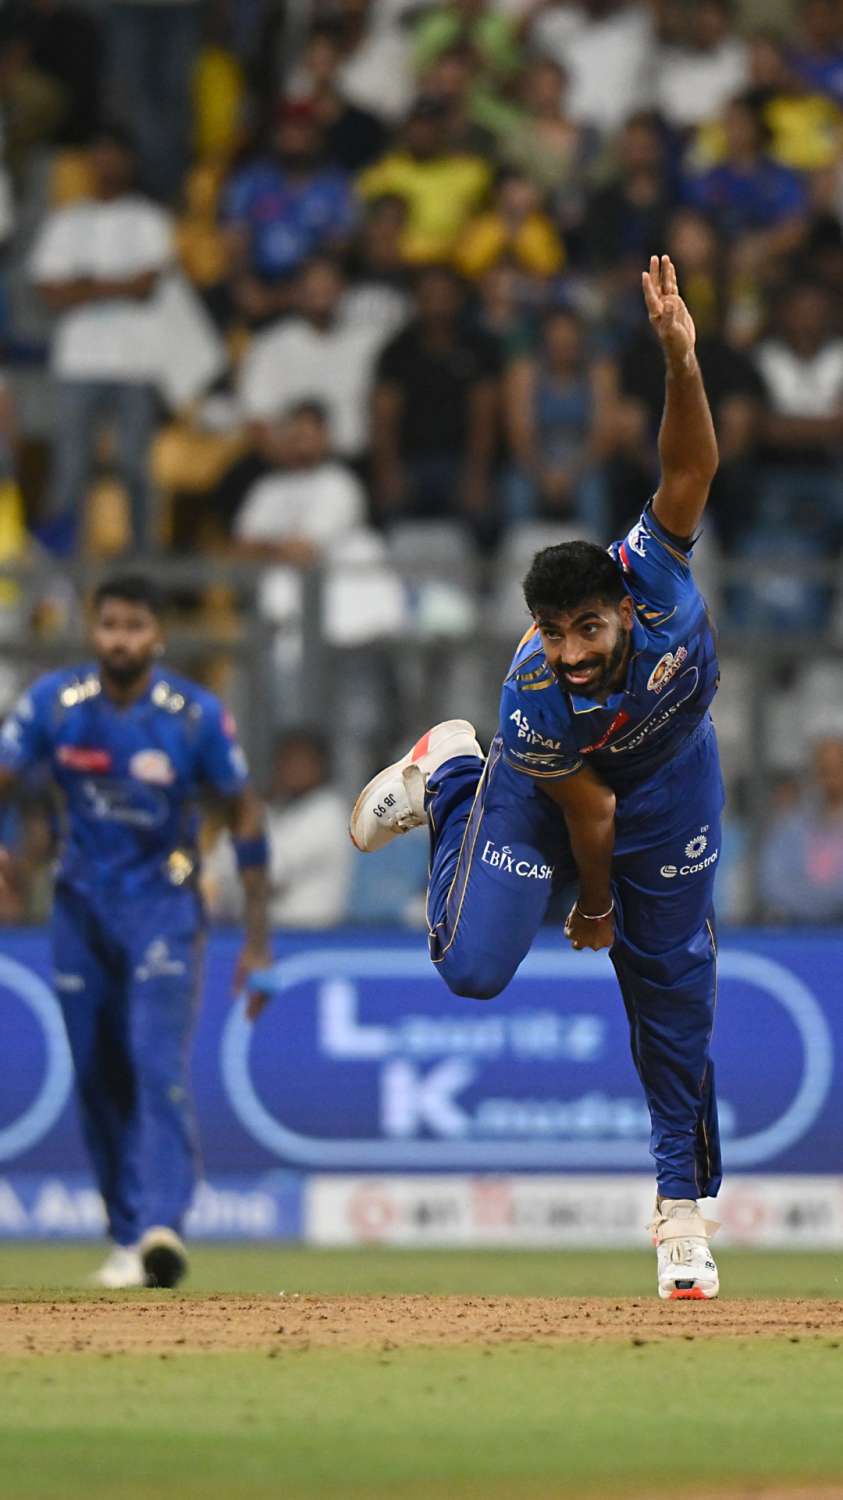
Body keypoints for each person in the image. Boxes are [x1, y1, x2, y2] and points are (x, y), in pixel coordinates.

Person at [349, 255, 724, 1301]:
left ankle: (681, 1216)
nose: (570, 653)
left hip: (672, 790)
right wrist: (592, 906)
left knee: (673, 993)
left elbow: (690, 466)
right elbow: (588, 813)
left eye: (586, 630)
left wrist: (681, 362)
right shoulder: (534, 696)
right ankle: (452, 774)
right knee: (471, 972)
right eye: (553, 634)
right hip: (556, 794)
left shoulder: (655, 570)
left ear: (625, 607)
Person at [0, 575, 271, 1289]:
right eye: (109, 626)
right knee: (97, 1074)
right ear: (94, 631)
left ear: (157, 636)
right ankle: (126, 1238)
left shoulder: (193, 716)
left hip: (162, 906)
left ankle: (161, 1227)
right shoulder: (56, 703)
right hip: (78, 905)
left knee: (155, 1063)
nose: (120, 640)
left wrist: (258, 939)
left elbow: (244, 809)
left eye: (134, 627)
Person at [29, 124, 172, 553]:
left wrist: (84, 284)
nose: (106, 163)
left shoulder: (148, 218)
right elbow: (49, 293)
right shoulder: (67, 221)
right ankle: (61, 568)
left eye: (114, 155)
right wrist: (117, 283)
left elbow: (147, 286)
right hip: (78, 363)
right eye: (99, 154)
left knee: (134, 468)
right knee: (69, 471)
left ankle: (144, 562)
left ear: (130, 161)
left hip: (135, 363)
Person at [760, 735, 843, 923]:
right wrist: (819, 904)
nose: (831, 777)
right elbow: (773, 882)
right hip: (799, 929)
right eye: (824, 770)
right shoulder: (790, 825)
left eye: (837, 768)